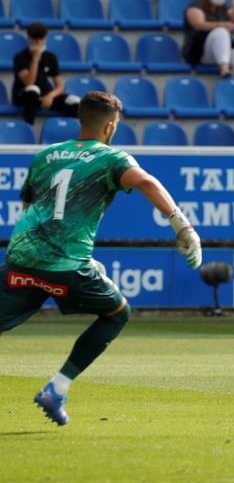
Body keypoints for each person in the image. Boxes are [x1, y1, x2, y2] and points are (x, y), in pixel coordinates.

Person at [0, 91, 203, 426]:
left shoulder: (46, 155)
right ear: (110, 126)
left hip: (23, 259)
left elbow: (29, 209)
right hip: (65, 266)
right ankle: (57, 388)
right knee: (117, 312)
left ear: (80, 120)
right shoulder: (110, 158)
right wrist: (183, 226)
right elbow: (147, 182)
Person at [12, 22, 80, 125]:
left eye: (41, 39)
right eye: (35, 39)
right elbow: (29, 82)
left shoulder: (50, 57)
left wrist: (50, 96)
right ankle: (28, 128)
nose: (39, 42)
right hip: (25, 96)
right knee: (33, 90)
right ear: (29, 38)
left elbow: (59, 86)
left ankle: (67, 130)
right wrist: (35, 58)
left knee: (74, 101)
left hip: (45, 96)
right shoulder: (20, 57)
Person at [182, 0, 234, 78]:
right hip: (200, 51)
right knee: (221, 32)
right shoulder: (195, 6)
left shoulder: (222, 8)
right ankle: (224, 69)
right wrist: (221, 25)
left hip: (222, 50)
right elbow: (198, 24)